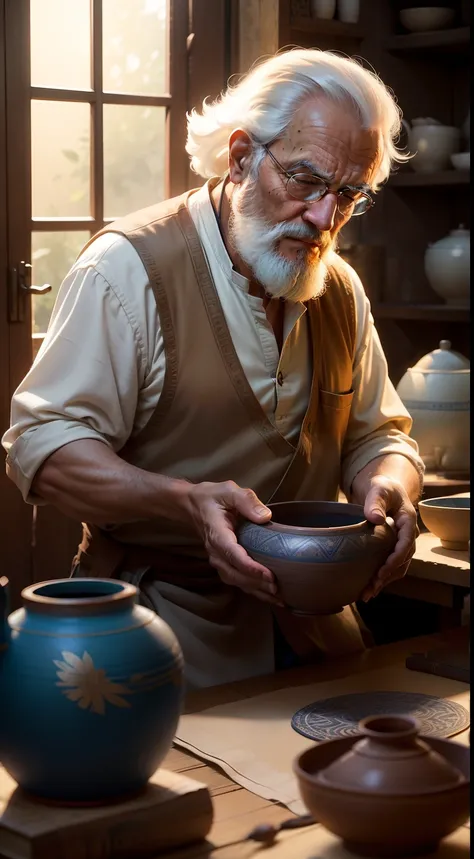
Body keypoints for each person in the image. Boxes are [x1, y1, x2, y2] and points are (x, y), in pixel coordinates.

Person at [3, 49, 424, 689]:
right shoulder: (127, 269)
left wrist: (393, 488)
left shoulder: (338, 287)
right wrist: (185, 503)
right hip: (154, 638)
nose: (323, 218)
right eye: (305, 180)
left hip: (316, 630)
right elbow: (43, 446)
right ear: (239, 157)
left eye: (348, 194)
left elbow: (380, 436)